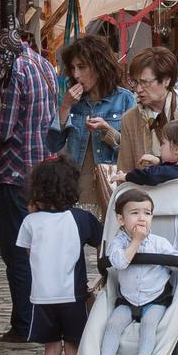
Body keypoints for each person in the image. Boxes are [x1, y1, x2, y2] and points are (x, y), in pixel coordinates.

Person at [0, 11, 59, 347]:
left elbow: (3, 128)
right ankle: (43, 320)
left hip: (16, 172)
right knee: (39, 252)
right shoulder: (41, 63)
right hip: (42, 169)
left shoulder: (13, 70)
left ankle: (24, 325)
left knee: (17, 252)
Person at [16, 157, 102, 355]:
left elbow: (30, 253)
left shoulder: (30, 222)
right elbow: (103, 242)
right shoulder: (81, 218)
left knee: (50, 350)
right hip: (73, 294)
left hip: (42, 296)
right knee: (73, 348)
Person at [88, 188, 178, 355]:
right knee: (113, 324)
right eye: (135, 213)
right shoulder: (118, 243)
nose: (142, 218)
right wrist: (136, 241)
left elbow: (176, 263)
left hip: (156, 299)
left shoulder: (159, 243)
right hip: (127, 300)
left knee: (150, 324)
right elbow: (119, 262)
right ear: (121, 220)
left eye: (147, 213)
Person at [48, 35, 135, 218]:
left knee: (110, 244)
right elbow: (52, 144)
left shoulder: (125, 99)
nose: (76, 74)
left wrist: (107, 130)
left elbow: (132, 151)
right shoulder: (73, 102)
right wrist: (65, 106)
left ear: (99, 66)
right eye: (72, 68)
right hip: (77, 191)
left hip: (112, 188)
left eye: (82, 67)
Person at [114, 47, 178, 174]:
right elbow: (125, 170)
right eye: (134, 82)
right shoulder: (130, 119)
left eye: (144, 82)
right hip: (144, 192)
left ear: (166, 80)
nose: (138, 89)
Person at [124, 119, 178, 186]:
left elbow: (150, 175)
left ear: (177, 149)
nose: (160, 148)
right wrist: (159, 161)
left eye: (163, 143)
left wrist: (126, 177)